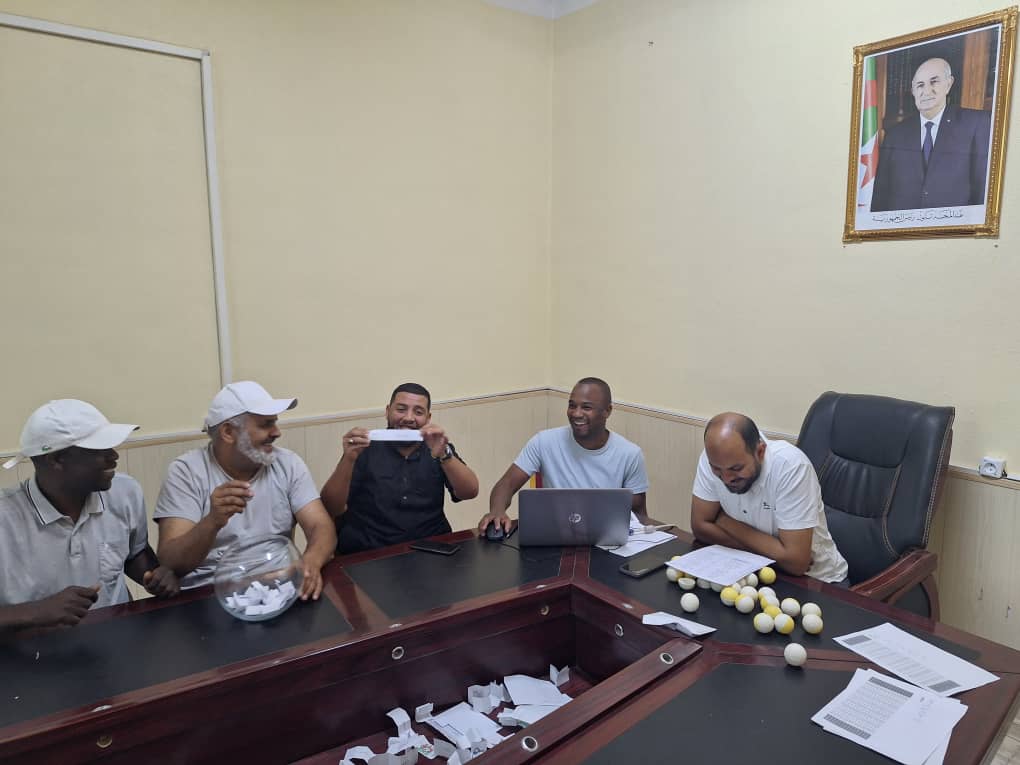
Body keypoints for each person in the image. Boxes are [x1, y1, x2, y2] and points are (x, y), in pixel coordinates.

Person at [0, 400, 179, 632]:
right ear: (55, 459)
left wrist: (155, 575)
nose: (114, 456)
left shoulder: (125, 492)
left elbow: (134, 553)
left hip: (117, 636)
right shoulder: (6, 518)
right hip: (33, 649)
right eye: (99, 449)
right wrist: (37, 612)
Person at [154, 381, 335, 599]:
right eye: (266, 424)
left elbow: (320, 526)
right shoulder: (186, 472)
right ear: (228, 432)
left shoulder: (288, 463)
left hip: (279, 589)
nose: (277, 432)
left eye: (275, 423)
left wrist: (310, 563)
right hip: (207, 596)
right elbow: (170, 561)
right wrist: (212, 522)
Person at [321, 383, 479, 554]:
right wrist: (348, 458)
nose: (409, 418)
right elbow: (331, 506)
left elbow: (469, 492)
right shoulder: (363, 448)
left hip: (429, 547)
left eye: (418, 412)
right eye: (401, 409)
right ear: (387, 411)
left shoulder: (437, 447)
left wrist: (444, 455)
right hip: (370, 550)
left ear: (428, 418)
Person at [690, 412, 847, 583]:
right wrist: (773, 552)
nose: (727, 479)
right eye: (717, 470)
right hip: (752, 569)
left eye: (736, 469)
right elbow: (700, 527)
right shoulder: (714, 458)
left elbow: (796, 563)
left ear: (760, 451)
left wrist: (724, 521)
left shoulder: (791, 467)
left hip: (817, 581)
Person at [479, 377, 649, 533]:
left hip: (606, 542)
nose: (576, 413)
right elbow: (507, 484)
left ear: (607, 411)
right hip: (553, 537)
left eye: (586, 407)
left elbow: (638, 513)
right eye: (572, 405)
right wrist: (497, 511)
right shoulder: (544, 442)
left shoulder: (630, 454)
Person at [871, 57, 991, 212]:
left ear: (949, 84)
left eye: (934, 82)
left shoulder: (976, 123)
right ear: (913, 91)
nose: (926, 91)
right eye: (920, 85)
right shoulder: (895, 135)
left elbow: (983, 190)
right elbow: (880, 198)